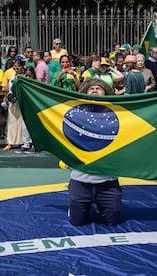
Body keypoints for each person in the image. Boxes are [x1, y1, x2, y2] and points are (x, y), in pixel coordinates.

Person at [68, 78, 121, 226]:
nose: (94, 90)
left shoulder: (119, 116)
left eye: (98, 88)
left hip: (108, 182)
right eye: (91, 88)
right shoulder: (75, 115)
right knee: (76, 222)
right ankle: (76, 204)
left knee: (113, 221)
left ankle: (101, 204)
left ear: (106, 93)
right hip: (81, 181)